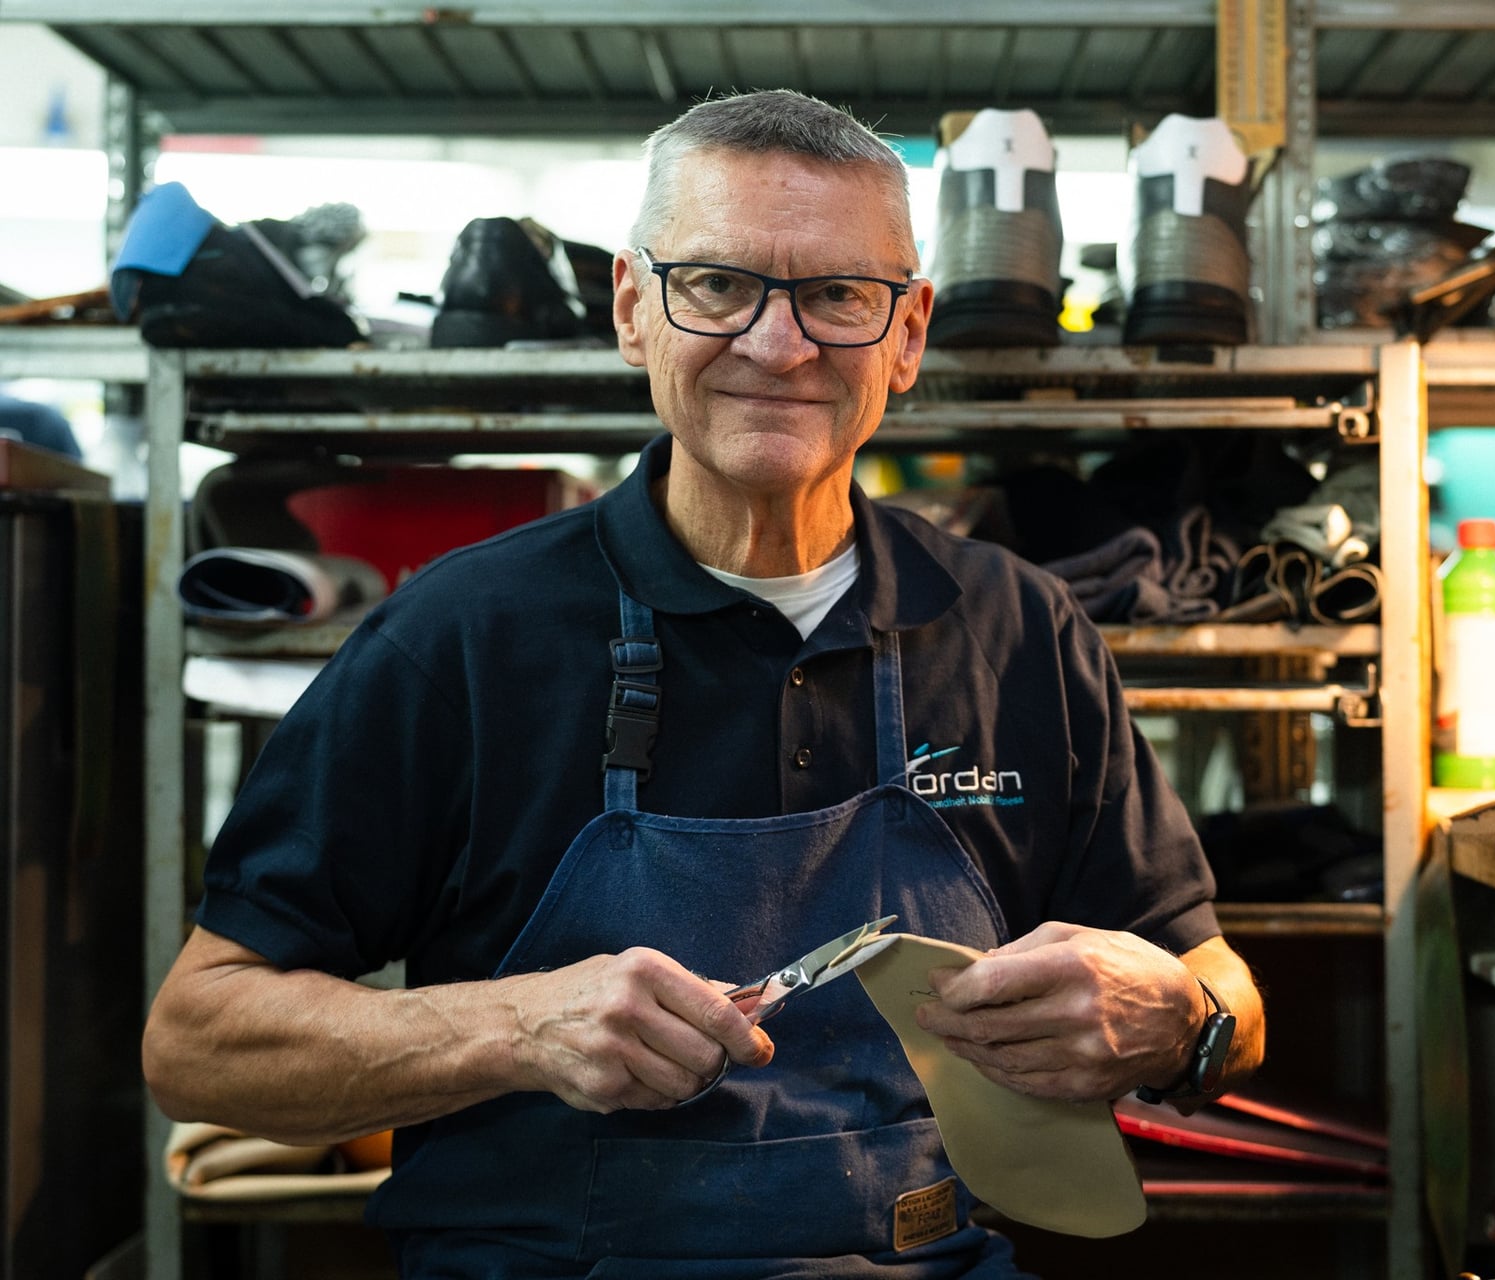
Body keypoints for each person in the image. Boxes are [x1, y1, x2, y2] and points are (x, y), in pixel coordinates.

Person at [143, 88, 1266, 1279]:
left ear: (910, 332)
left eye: (839, 295)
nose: (778, 346)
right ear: (635, 308)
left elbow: (1217, 984)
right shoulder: (461, 638)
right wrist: (513, 1023)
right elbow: (197, 1041)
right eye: (719, 285)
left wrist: (1182, 1022)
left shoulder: (1018, 629)